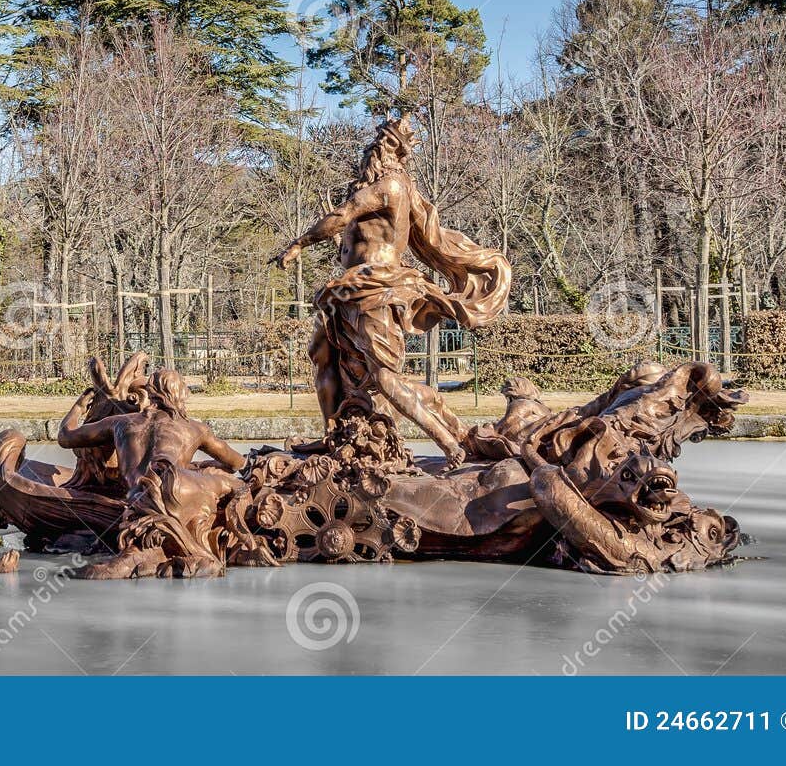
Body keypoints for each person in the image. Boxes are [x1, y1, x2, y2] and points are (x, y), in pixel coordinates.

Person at [274, 116, 510, 464]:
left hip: (377, 287)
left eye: (384, 144)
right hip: (348, 290)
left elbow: (343, 215)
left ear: (396, 153)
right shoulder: (376, 184)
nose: (373, 149)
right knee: (322, 352)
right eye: (377, 142)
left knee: (385, 377)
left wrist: (298, 244)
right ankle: (333, 434)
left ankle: (448, 441)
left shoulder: (391, 185)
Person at [57, 367, 248, 577]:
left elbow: (66, 436)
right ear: (179, 396)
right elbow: (237, 463)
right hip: (177, 485)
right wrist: (207, 467)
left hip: (139, 496)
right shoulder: (195, 428)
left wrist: (78, 407)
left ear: (150, 392)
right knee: (229, 481)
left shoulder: (121, 423)